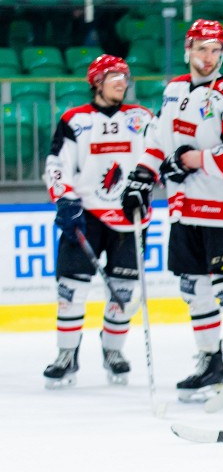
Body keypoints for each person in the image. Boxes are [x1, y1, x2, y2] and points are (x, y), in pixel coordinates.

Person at [121, 20, 223, 402]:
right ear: (188, 50)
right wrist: (140, 178)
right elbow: (158, 141)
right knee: (193, 289)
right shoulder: (175, 88)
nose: (208, 57)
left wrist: (193, 160)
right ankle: (210, 361)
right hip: (185, 209)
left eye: (215, 49)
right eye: (201, 48)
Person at [42, 56, 154, 388]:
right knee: (71, 289)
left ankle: (113, 350)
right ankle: (66, 354)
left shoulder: (141, 118)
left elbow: (157, 154)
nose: (122, 81)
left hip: (130, 215)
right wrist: (64, 199)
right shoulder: (75, 120)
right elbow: (57, 163)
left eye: (124, 76)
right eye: (114, 76)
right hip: (87, 214)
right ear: (96, 81)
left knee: (123, 289)